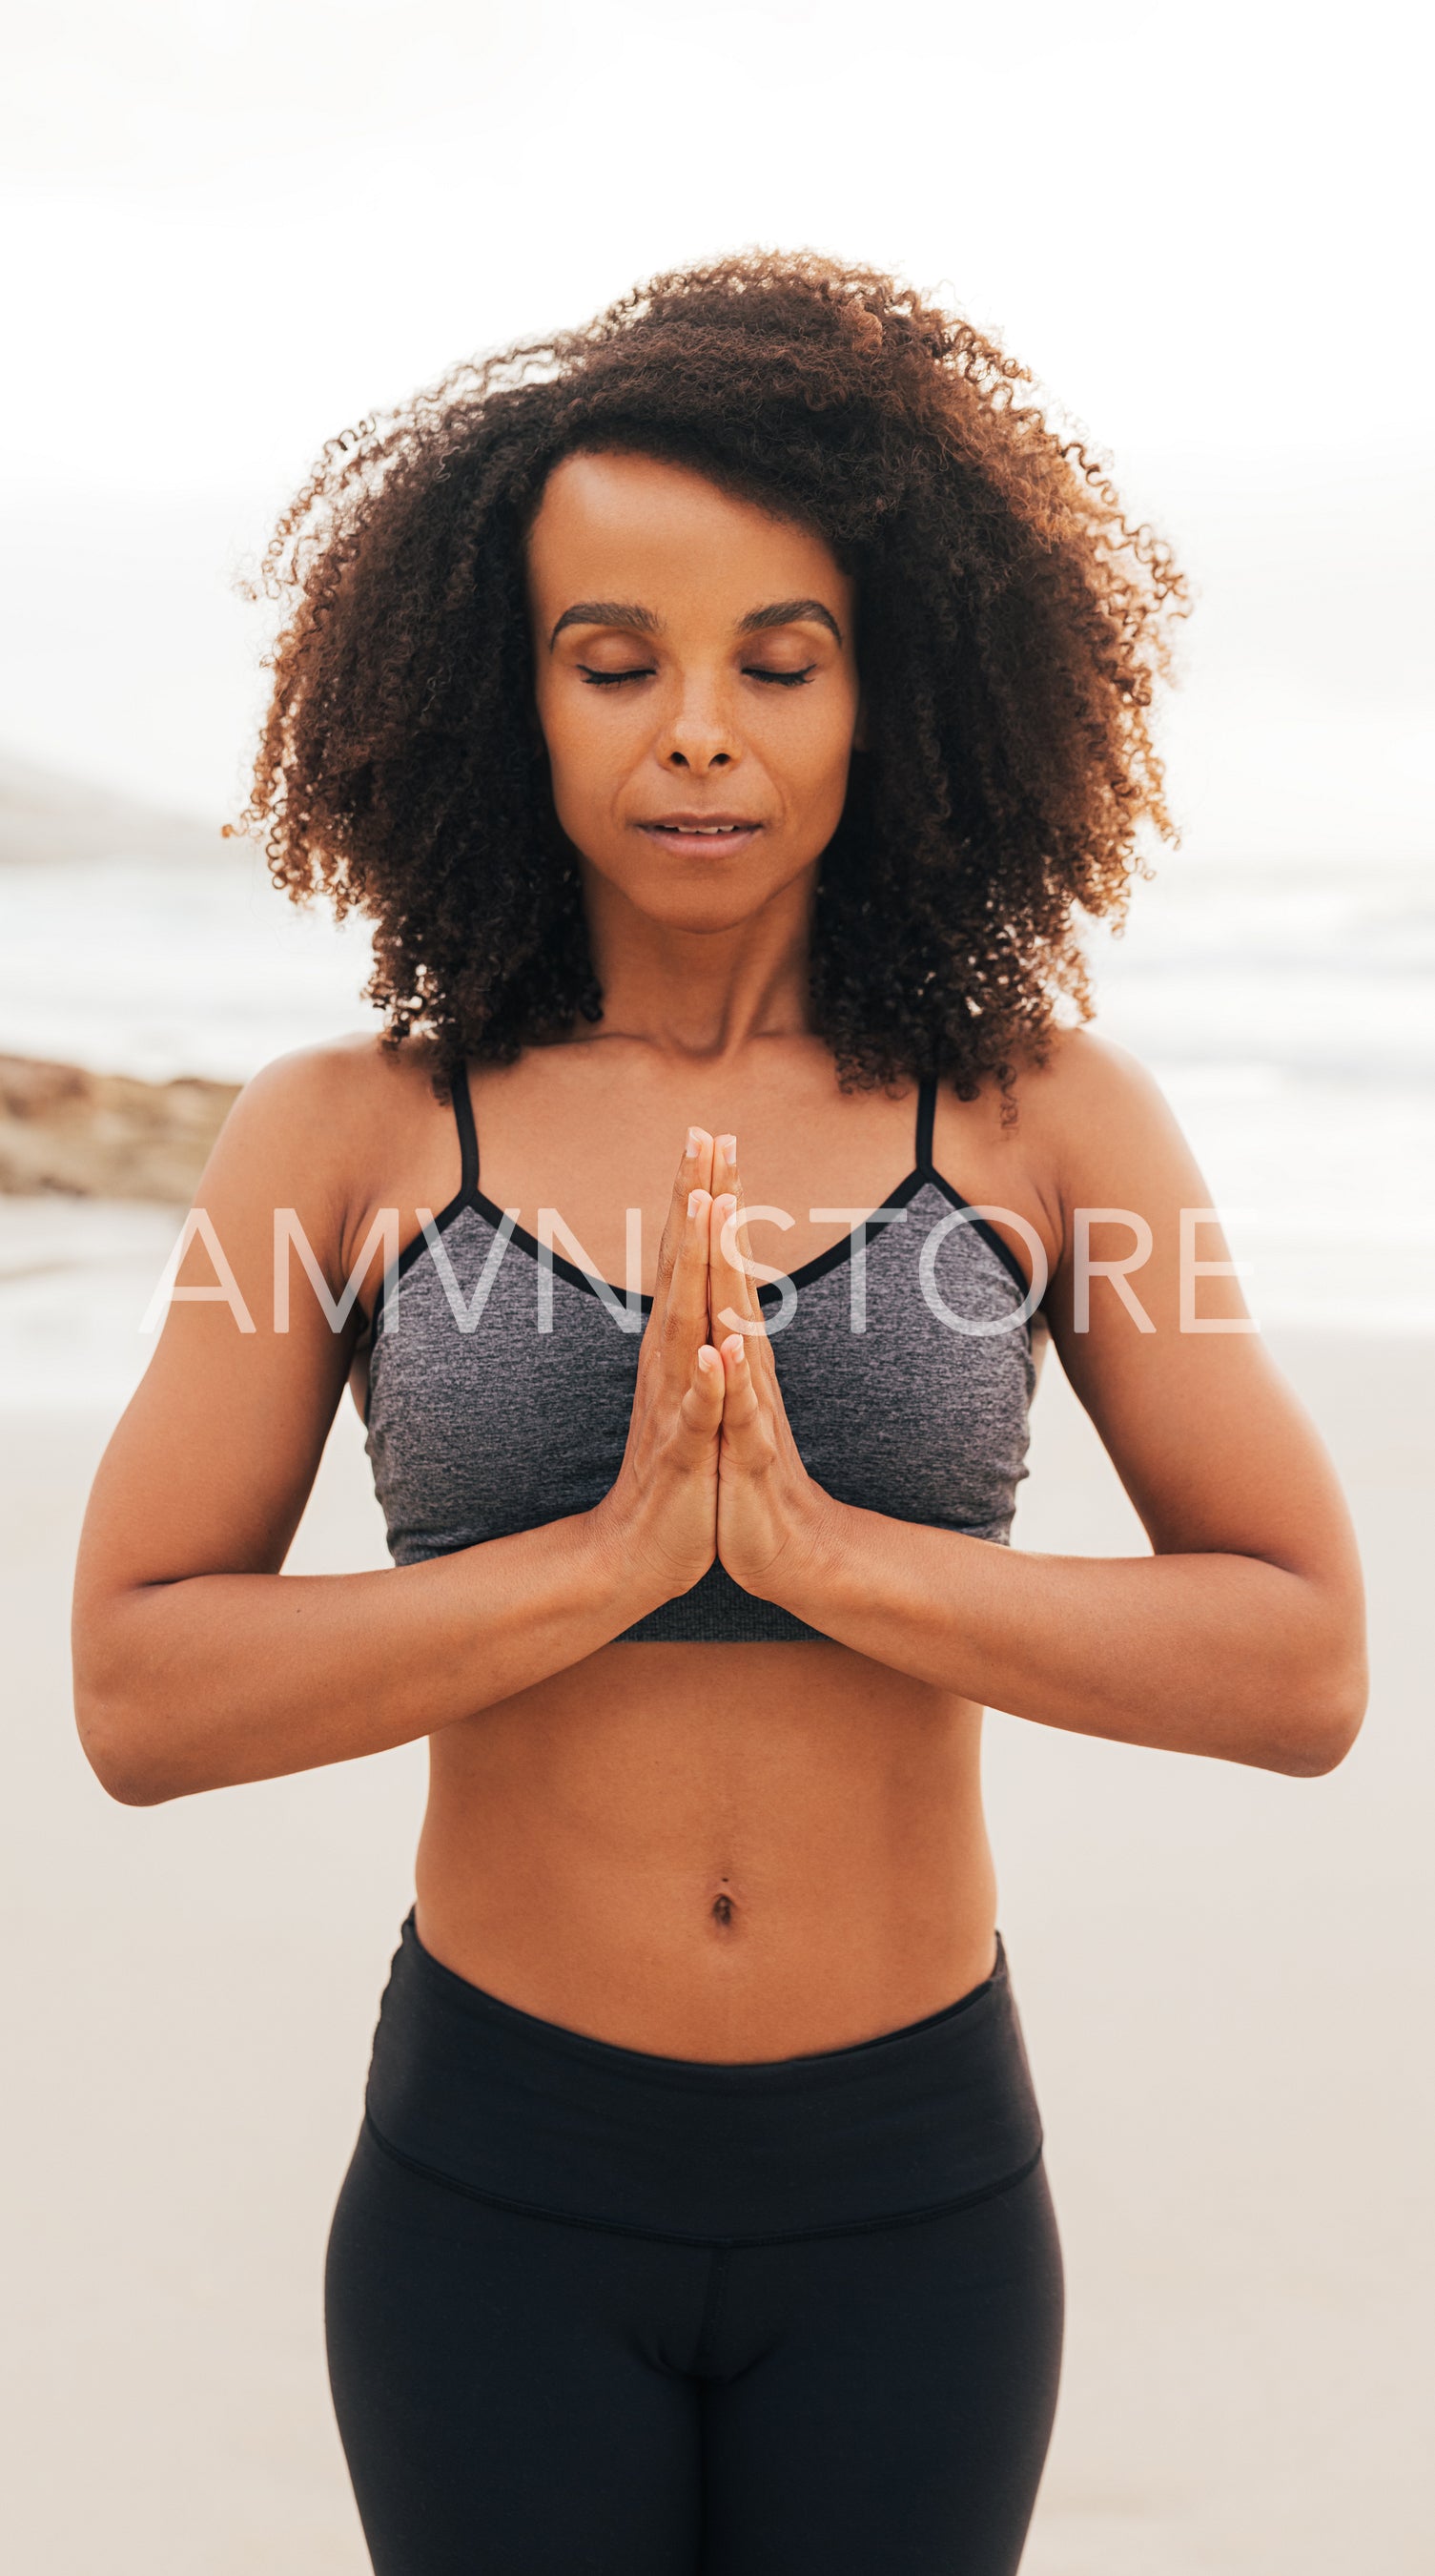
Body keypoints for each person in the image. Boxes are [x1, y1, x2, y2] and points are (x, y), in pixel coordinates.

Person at [72, 255, 1367, 2576]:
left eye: (781, 660)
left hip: (913, 2190)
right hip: (499, 2177)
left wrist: (828, 1555)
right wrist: (597, 1562)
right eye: (615, 661)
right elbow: (140, 1687)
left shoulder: (1048, 1120)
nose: (697, 730)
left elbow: (1301, 1660)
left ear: (902, 694)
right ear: (508, 701)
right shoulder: (347, 1137)